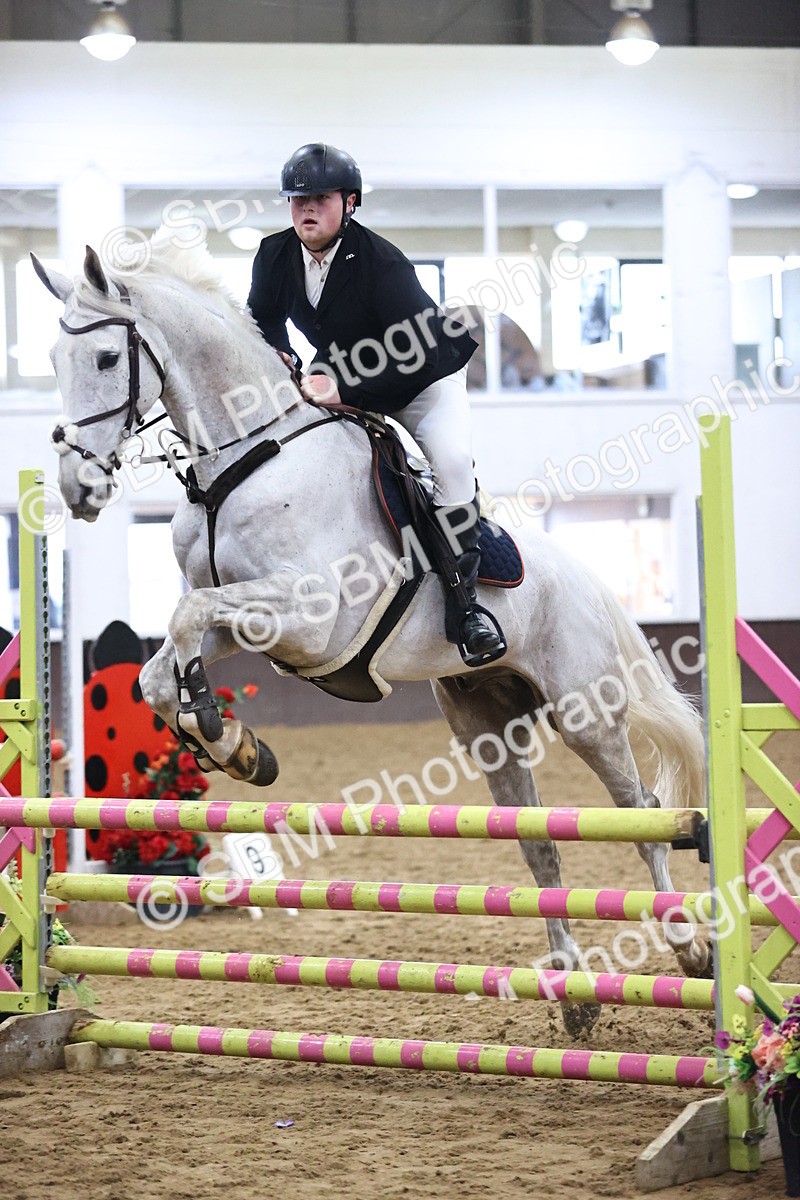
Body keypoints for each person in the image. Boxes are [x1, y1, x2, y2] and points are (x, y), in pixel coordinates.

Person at [248, 142, 505, 667]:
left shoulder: (382, 263)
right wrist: (282, 353)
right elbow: (263, 317)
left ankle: (468, 610)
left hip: (421, 382)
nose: (306, 208)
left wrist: (345, 390)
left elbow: (426, 352)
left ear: (350, 202)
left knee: (452, 464)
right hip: (339, 371)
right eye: (297, 199)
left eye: (320, 197)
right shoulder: (274, 255)